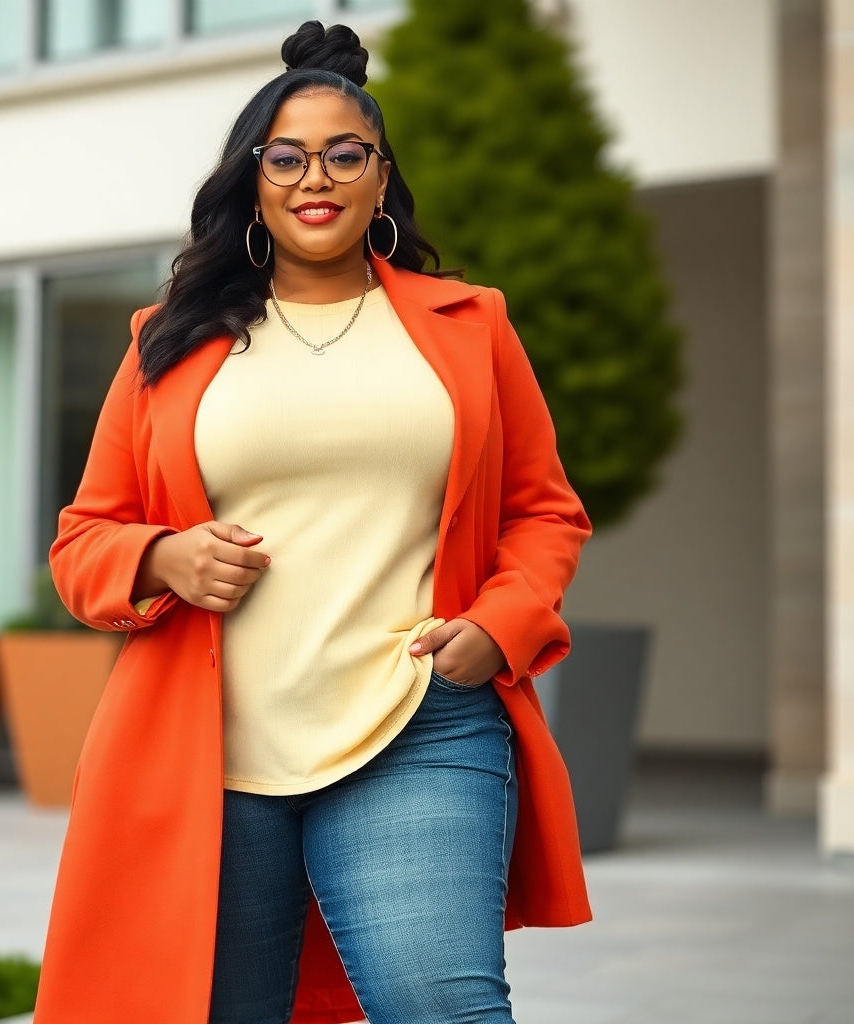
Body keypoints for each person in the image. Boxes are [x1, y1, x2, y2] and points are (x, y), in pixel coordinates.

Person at [33, 20, 592, 1024]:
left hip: (420, 716)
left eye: (345, 154)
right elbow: (83, 539)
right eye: (284, 158)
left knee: (446, 1006)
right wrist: (162, 554)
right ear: (253, 183)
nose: (315, 178)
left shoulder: (471, 324)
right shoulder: (169, 342)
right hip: (210, 750)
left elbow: (541, 511)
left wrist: (498, 624)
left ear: (382, 178)